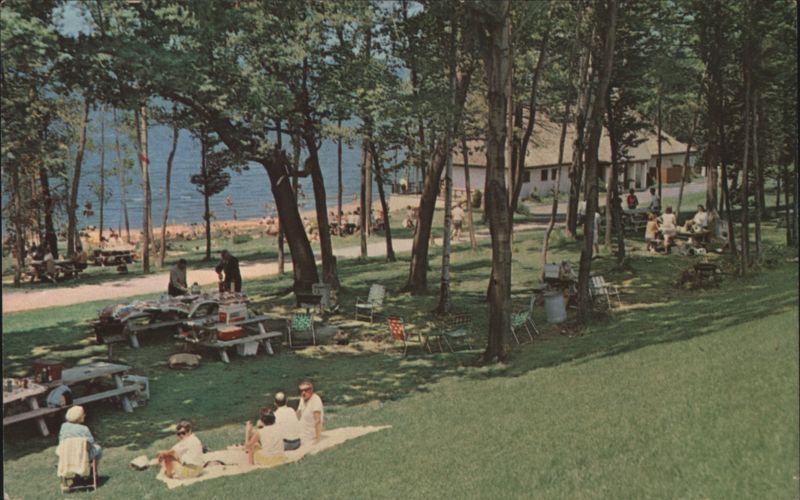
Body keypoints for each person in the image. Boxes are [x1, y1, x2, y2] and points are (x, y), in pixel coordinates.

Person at [296, 381, 323, 445]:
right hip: (301, 432)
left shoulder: (316, 400)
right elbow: (298, 413)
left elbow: (318, 420)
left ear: (311, 390)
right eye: (301, 391)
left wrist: (318, 439)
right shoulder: (302, 399)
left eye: (306, 390)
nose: (303, 392)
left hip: (309, 435)